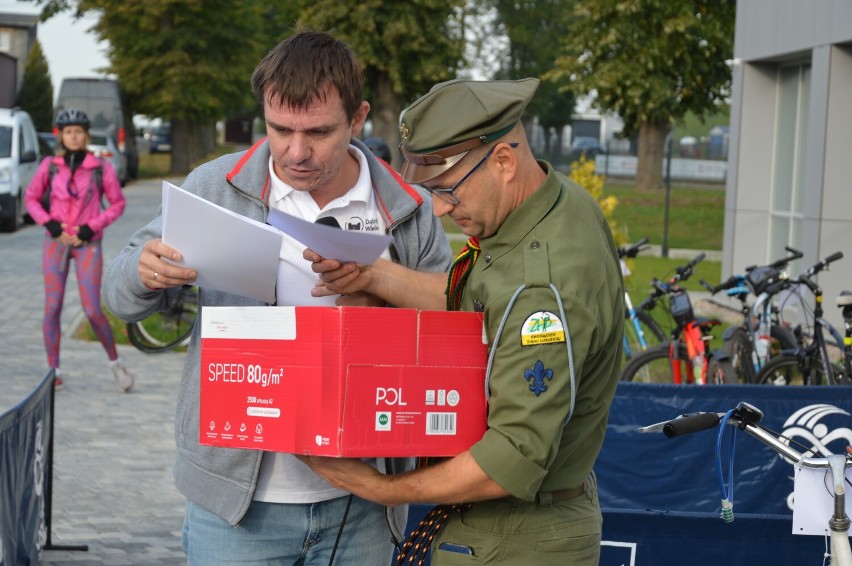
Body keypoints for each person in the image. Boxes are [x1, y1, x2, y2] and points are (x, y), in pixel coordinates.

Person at [102, 30, 452, 565]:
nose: (296, 151)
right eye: (279, 129)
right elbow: (118, 298)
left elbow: (457, 324)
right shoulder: (212, 186)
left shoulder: (407, 208)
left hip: (360, 506)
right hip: (236, 509)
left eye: (318, 132)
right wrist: (143, 273)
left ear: (358, 119)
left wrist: (379, 293)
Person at [301, 78, 625, 565]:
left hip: (514, 538)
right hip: (505, 529)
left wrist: (382, 488)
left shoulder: (544, 285)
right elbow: (480, 302)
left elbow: (510, 460)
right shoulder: (550, 207)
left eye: (448, 189)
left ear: (504, 162)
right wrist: (372, 275)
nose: (439, 207)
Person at [24, 108, 134, 392]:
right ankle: (54, 370)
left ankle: (116, 364)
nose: (74, 136)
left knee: (92, 309)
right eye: (68, 131)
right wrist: (50, 225)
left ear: (85, 135)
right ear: (61, 135)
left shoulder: (99, 167)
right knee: (52, 307)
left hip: (88, 244)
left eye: (79, 131)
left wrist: (91, 227)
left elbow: (118, 203)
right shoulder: (50, 165)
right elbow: (32, 198)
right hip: (56, 242)